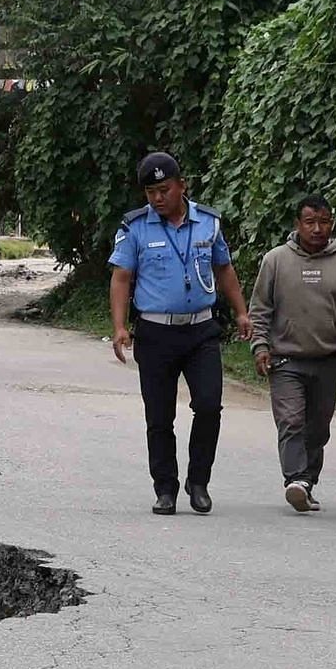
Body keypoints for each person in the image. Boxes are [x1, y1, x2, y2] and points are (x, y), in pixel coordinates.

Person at [108, 150, 247, 515]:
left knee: (208, 405)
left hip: (200, 330)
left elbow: (225, 270)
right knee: (159, 415)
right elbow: (121, 278)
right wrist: (120, 326)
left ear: (181, 186)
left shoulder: (208, 223)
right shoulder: (135, 227)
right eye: (150, 192)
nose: (157, 198)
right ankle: (165, 488)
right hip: (155, 333)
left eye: (164, 190)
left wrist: (242, 312)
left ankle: (198, 482)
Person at [250, 198, 336, 513]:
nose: (316, 228)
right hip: (286, 360)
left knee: (318, 429)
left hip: (327, 360)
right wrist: (260, 346)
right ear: (297, 224)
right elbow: (260, 310)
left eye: (323, 221)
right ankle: (296, 479)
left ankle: (307, 482)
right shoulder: (276, 261)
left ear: (332, 224)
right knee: (292, 420)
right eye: (309, 221)